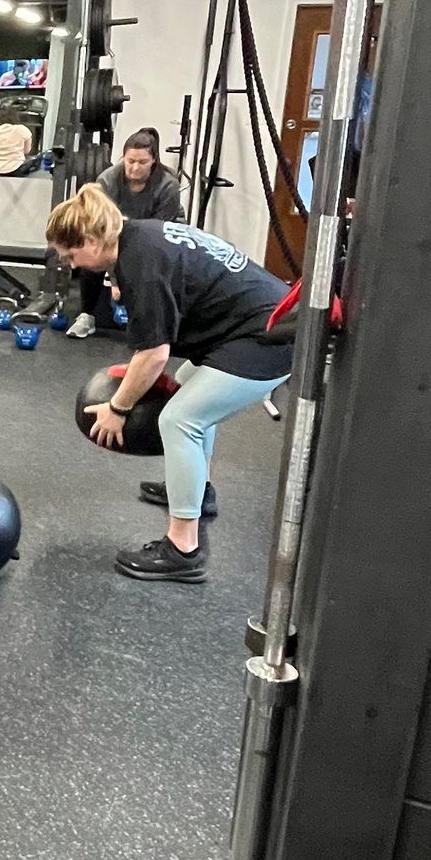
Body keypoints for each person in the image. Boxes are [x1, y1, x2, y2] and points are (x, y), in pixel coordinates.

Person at [46, 181, 292, 583]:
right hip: (260, 322)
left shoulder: (141, 264)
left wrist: (118, 409)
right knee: (190, 384)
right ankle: (198, 492)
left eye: (71, 255)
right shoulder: (138, 235)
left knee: (180, 419)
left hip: (270, 338)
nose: (71, 264)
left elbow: (153, 355)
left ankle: (182, 549)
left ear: (91, 239)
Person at [65, 127, 183, 337]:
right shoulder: (107, 181)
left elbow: (157, 233)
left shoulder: (168, 185)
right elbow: (98, 226)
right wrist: (114, 279)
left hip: (155, 234)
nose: (135, 167)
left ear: (154, 160)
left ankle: (156, 322)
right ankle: (87, 316)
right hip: (114, 233)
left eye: (142, 162)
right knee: (91, 251)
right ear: (123, 157)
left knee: (152, 261)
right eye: (130, 161)